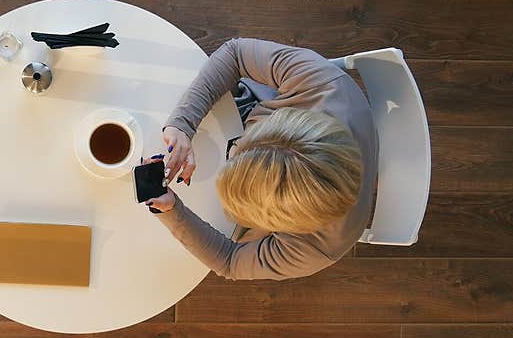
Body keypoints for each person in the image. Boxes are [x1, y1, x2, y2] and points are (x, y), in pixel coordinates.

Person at [143, 38, 377, 280]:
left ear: (282, 225)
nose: (228, 159)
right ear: (282, 122)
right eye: (241, 149)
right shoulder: (322, 82)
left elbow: (230, 261)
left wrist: (173, 211)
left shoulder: (316, 250)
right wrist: (183, 121)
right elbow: (235, 53)